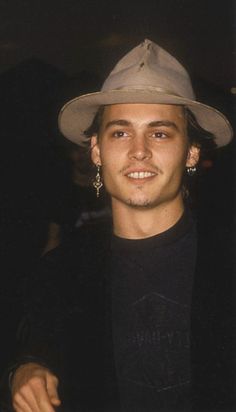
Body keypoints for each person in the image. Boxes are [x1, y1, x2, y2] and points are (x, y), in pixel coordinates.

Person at [8, 39, 234, 412]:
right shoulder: (60, 272)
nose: (139, 150)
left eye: (160, 133)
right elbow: (32, 347)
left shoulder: (227, 258)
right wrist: (22, 372)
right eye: (120, 132)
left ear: (191, 151)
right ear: (96, 150)